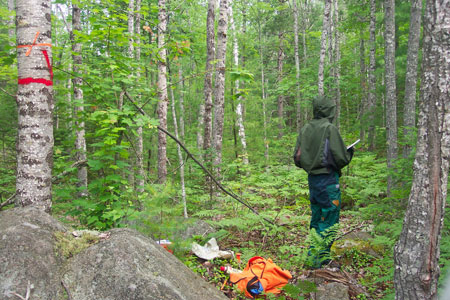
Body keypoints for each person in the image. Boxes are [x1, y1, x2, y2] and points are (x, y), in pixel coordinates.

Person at [293, 96, 354, 268]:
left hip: (313, 180)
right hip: (327, 179)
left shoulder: (305, 129)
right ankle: (316, 260)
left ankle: (320, 257)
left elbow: (297, 158)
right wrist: (349, 152)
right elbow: (340, 158)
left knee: (317, 217)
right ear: (328, 110)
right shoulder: (329, 129)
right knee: (328, 218)